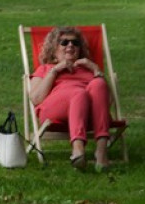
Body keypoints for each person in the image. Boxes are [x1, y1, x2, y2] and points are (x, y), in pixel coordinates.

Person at [28, 27, 112, 171]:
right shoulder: (46, 69)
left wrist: (96, 69)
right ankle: (78, 150)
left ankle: (101, 151)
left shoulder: (88, 69)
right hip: (54, 110)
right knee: (79, 93)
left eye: (75, 42)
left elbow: (107, 102)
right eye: (64, 42)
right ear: (53, 50)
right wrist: (55, 71)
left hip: (88, 112)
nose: (70, 45)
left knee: (98, 83)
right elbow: (36, 98)